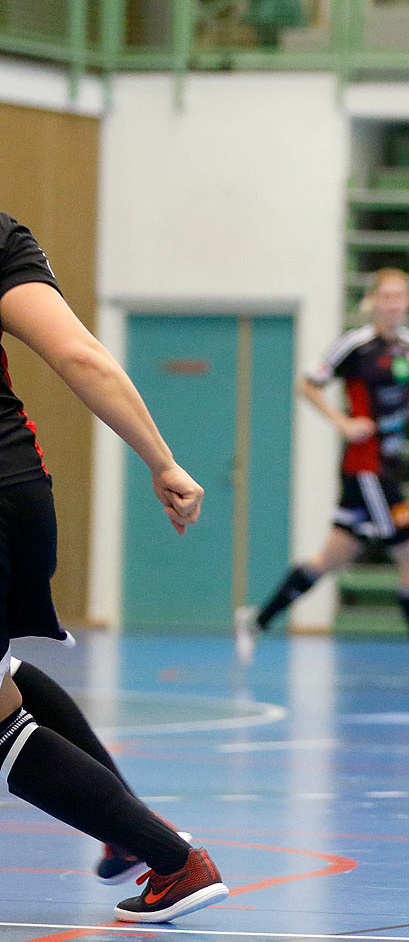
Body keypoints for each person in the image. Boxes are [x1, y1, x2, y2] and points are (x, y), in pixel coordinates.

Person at [0, 212, 227, 921]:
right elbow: (80, 357)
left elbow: (81, 358)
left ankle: (168, 857)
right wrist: (161, 460)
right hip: (19, 494)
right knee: (2, 677)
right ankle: (134, 840)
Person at [235, 268, 409, 681]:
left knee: (331, 558)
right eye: (386, 296)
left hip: (388, 464)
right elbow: (308, 385)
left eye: (400, 296)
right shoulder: (355, 345)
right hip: (368, 468)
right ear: (372, 301)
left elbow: (404, 405)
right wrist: (342, 422)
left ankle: (256, 620)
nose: (393, 303)